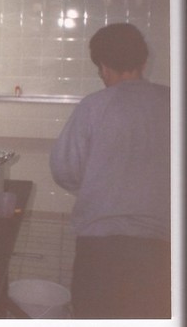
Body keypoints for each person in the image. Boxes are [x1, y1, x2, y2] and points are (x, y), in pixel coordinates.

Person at [49, 23, 170, 318]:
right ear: (143, 62)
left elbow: (64, 169)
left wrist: (99, 183)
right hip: (161, 248)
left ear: (103, 66)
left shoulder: (94, 106)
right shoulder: (173, 103)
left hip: (100, 248)